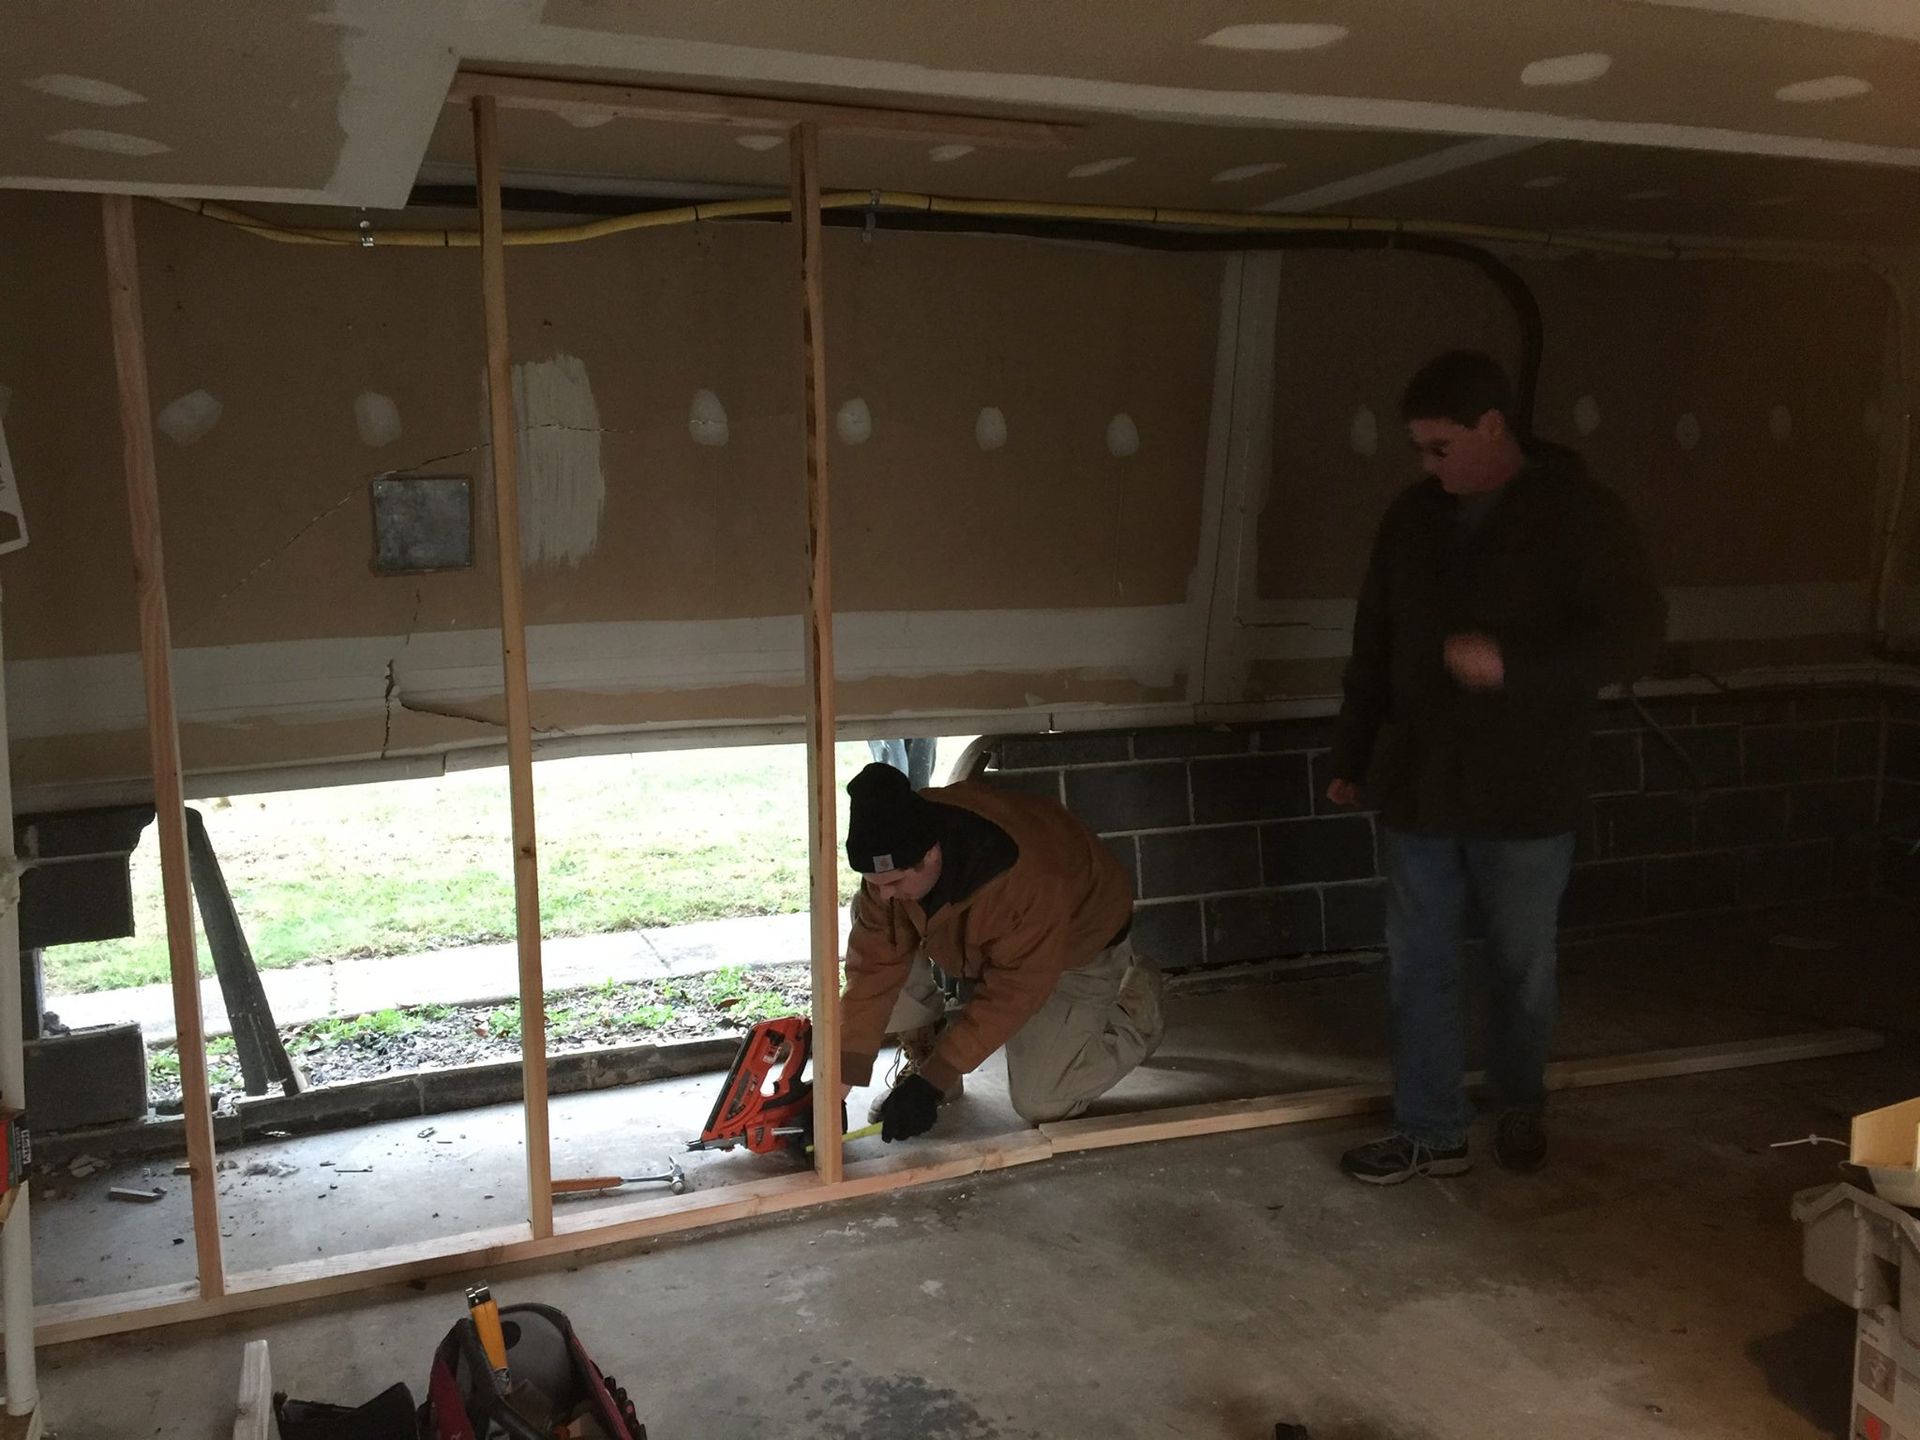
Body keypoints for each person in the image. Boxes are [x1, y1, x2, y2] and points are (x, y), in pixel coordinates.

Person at [1327, 350, 1664, 1185]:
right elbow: (1374, 641)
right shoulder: (1413, 519)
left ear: (1491, 426)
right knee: (1419, 962)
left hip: (1526, 785)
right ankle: (1430, 1129)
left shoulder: (1579, 515)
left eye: (1440, 447)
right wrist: (1353, 755)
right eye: (1419, 449)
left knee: (1520, 963)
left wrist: (1515, 666)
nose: (1427, 465)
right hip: (1420, 779)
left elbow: (1635, 636)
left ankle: (1519, 1104)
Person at [835, 761, 1164, 1141]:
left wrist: (933, 1081)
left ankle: (1138, 1009)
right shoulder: (898, 840)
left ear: (931, 854)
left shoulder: (1026, 880)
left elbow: (1013, 992)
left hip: (1075, 948)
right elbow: (872, 969)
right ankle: (926, 1053)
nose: (883, 894)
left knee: (1043, 1102)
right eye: (873, 882)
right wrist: (836, 1088)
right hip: (990, 940)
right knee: (873, 917)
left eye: (893, 882)